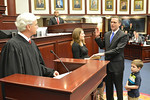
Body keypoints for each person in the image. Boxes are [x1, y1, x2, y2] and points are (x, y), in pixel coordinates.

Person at [0, 13, 59, 79]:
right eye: (36, 24)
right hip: (26, 88)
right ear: (28, 27)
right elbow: (13, 76)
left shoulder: (32, 43)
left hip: (34, 85)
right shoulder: (12, 46)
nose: (37, 27)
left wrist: (51, 72)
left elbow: (37, 66)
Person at [92, 16, 128, 100]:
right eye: (111, 22)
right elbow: (102, 46)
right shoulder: (107, 34)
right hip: (107, 65)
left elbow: (117, 50)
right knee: (108, 87)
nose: (112, 24)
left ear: (119, 24)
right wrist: (97, 37)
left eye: (114, 22)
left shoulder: (123, 35)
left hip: (117, 66)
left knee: (118, 87)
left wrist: (103, 54)